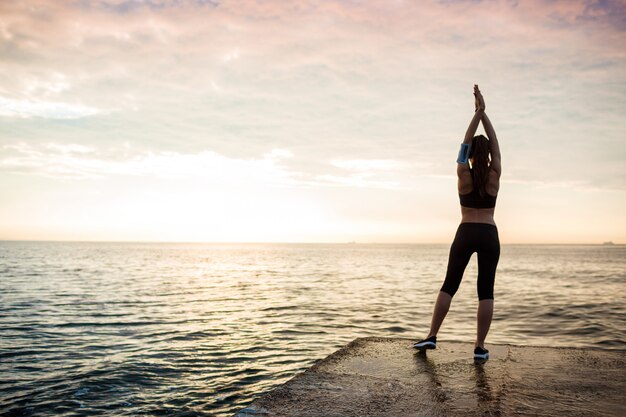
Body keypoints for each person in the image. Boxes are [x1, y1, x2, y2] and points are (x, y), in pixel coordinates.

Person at [414, 85, 501, 360]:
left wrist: (476, 113)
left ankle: (431, 337)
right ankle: (479, 347)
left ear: (470, 154)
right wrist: (485, 115)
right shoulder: (495, 174)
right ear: (487, 154)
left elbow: (464, 143)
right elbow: (496, 144)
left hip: (465, 232)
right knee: (485, 290)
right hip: (488, 233)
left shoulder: (462, 172)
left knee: (449, 284)